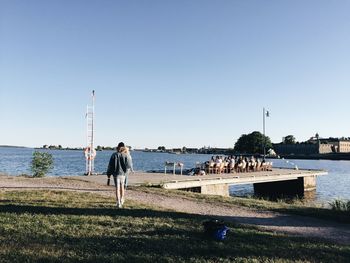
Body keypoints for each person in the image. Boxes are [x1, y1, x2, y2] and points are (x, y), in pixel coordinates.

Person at [107, 142, 133, 208]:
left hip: (116, 174)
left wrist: (108, 174)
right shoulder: (126, 155)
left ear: (117, 147)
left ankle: (118, 202)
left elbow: (110, 165)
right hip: (123, 174)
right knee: (122, 187)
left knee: (117, 188)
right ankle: (122, 199)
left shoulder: (114, 155)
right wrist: (129, 170)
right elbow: (129, 165)